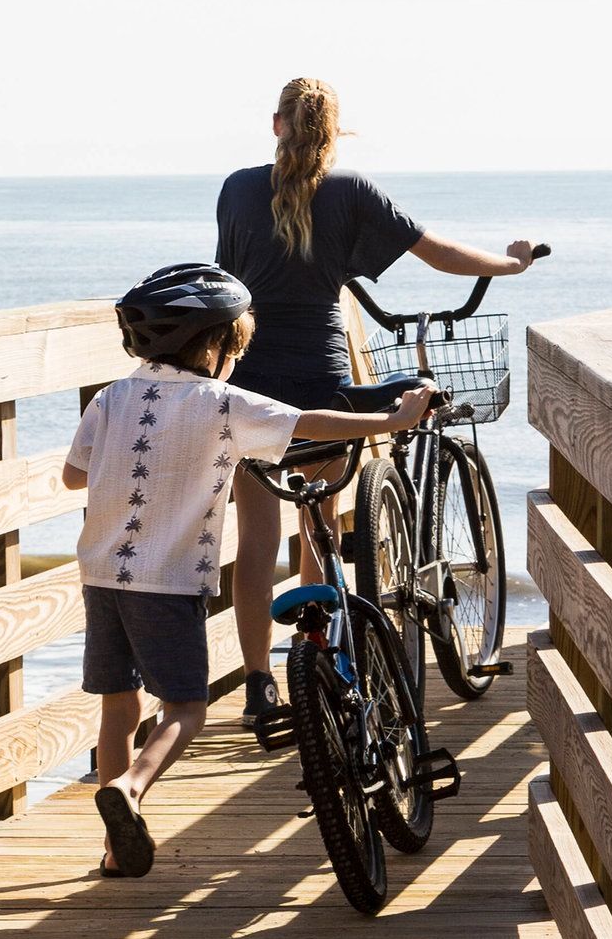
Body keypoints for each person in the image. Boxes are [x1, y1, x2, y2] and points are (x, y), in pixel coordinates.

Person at [62, 261, 433, 876]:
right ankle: (130, 790)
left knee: (118, 708)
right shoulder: (221, 405)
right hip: (169, 581)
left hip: (102, 575)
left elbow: (74, 475)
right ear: (212, 347)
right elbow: (310, 423)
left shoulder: (112, 397)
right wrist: (392, 421)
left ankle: (113, 848)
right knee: (185, 708)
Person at [216, 76, 539, 735]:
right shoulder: (350, 191)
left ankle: (257, 683)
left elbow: (228, 288)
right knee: (320, 525)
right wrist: (511, 267)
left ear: (275, 125)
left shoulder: (236, 188)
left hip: (252, 382)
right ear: (333, 136)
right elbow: (437, 252)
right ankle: (322, 659)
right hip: (319, 380)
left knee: (255, 538)